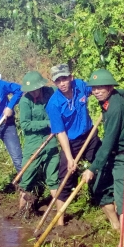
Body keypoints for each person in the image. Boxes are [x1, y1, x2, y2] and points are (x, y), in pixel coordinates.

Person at [81, 69, 124, 247]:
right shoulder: (111, 98)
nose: (97, 91)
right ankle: (116, 225)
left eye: (101, 87)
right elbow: (123, 92)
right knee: (98, 186)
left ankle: (123, 245)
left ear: (109, 87)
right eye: (94, 88)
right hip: (116, 155)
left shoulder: (116, 107)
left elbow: (107, 143)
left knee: (123, 199)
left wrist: (92, 168)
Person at [46, 63, 99, 225]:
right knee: (65, 177)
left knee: (103, 163)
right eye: (58, 81)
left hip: (90, 135)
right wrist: (70, 158)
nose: (62, 83)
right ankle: (60, 220)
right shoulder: (53, 104)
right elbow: (60, 133)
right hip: (70, 142)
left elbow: (98, 92)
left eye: (64, 79)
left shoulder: (81, 86)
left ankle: (105, 199)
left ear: (71, 77)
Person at [17, 71, 60, 211]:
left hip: (51, 140)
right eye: (30, 90)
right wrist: (47, 123)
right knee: (27, 179)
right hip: (33, 143)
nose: (34, 93)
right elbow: (25, 125)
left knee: (53, 179)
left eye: (35, 89)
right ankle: (21, 211)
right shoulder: (25, 102)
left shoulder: (51, 92)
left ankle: (59, 212)